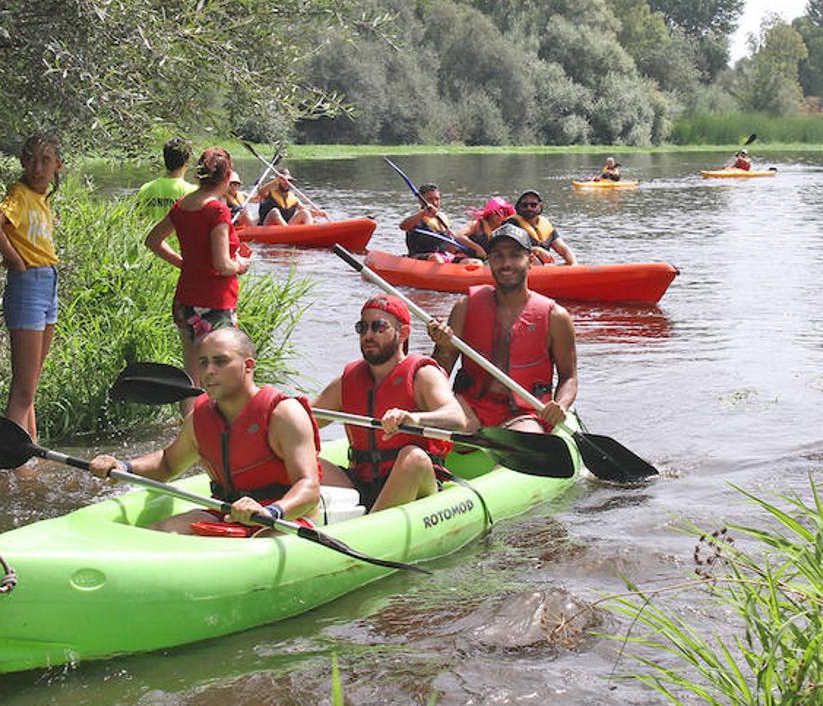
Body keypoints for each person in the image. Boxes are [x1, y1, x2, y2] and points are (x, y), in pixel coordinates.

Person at [89, 328, 321, 535]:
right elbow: (168, 464)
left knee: (259, 540)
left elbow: (309, 487)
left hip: (284, 518)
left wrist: (271, 512)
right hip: (225, 511)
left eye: (220, 361)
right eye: (203, 362)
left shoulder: (284, 414)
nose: (208, 371)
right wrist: (123, 467)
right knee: (158, 533)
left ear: (248, 366)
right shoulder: (200, 417)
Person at [314, 295, 467, 512]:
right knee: (297, 457)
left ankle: (370, 529)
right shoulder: (347, 381)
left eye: (378, 327)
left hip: (416, 480)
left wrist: (414, 418)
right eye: (363, 327)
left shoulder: (423, 375)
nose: (368, 335)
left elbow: (457, 418)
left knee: (412, 456)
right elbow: (305, 422)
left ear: (403, 333)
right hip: (361, 481)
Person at [429, 223, 579, 435]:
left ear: (530, 261)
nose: (506, 263)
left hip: (526, 413)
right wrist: (442, 345)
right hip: (470, 407)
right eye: (498, 256)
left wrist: (561, 405)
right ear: (489, 262)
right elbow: (438, 371)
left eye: (515, 255)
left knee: (524, 438)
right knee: (441, 427)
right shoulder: (465, 307)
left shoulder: (556, 317)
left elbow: (569, 377)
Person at [144, 147, 252, 405]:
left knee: (192, 379)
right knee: (223, 376)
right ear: (227, 178)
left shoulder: (183, 206)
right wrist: (241, 264)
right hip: (214, 304)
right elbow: (222, 263)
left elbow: (153, 241)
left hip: (185, 301)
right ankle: (219, 433)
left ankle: (192, 433)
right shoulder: (217, 210)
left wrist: (185, 264)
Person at [0, 132, 63, 443]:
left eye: (46, 161)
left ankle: (29, 454)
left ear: (58, 166)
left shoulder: (40, 198)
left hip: (47, 283)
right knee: (23, 388)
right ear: (22, 163)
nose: (38, 168)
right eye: (31, 160)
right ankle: (11, 467)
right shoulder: (18, 193)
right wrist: (15, 260)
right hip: (29, 284)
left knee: (31, 385)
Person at [400, 183, 481, 261]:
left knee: (472, 261)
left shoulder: (442, 218)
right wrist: (423, 213)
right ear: (421, 201)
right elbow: (403, 226)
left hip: (442, 256)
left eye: (437, 199)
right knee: (436, 258)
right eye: (429, 199)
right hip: (419, 257)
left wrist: (465, 251)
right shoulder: (417, 218)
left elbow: (449, 247)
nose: (434, 203)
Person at [510, 190, 577, 265]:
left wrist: (574, 264)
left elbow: (562, 248)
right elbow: (508, 250)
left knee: (570, 261)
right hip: (520, 268)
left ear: (540, 206)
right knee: (531, 257)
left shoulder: (546, 225)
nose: (529, 208)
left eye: (533, 205)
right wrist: (535, 250)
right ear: (518, 207)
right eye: (525, 205)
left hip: (543, 270)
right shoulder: (511, 224)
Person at [136, 137, 195, 210]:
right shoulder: (192, 192)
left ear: (165, 159)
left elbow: (137, 217)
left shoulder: (145, 189)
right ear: (187, 161)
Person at [255, 167, 326, 226]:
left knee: (304, 212)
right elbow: (260, 192)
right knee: (275, 211)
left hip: (285, 226)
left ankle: (309, 231)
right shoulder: (269, 193)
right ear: (278, 181)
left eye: (289, 180)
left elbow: (306, 209)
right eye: (284, 180)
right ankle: (287, 230)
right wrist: (275, 181)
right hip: (267, 225)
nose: (287, 183)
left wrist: (318, 213)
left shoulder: (294, 198)